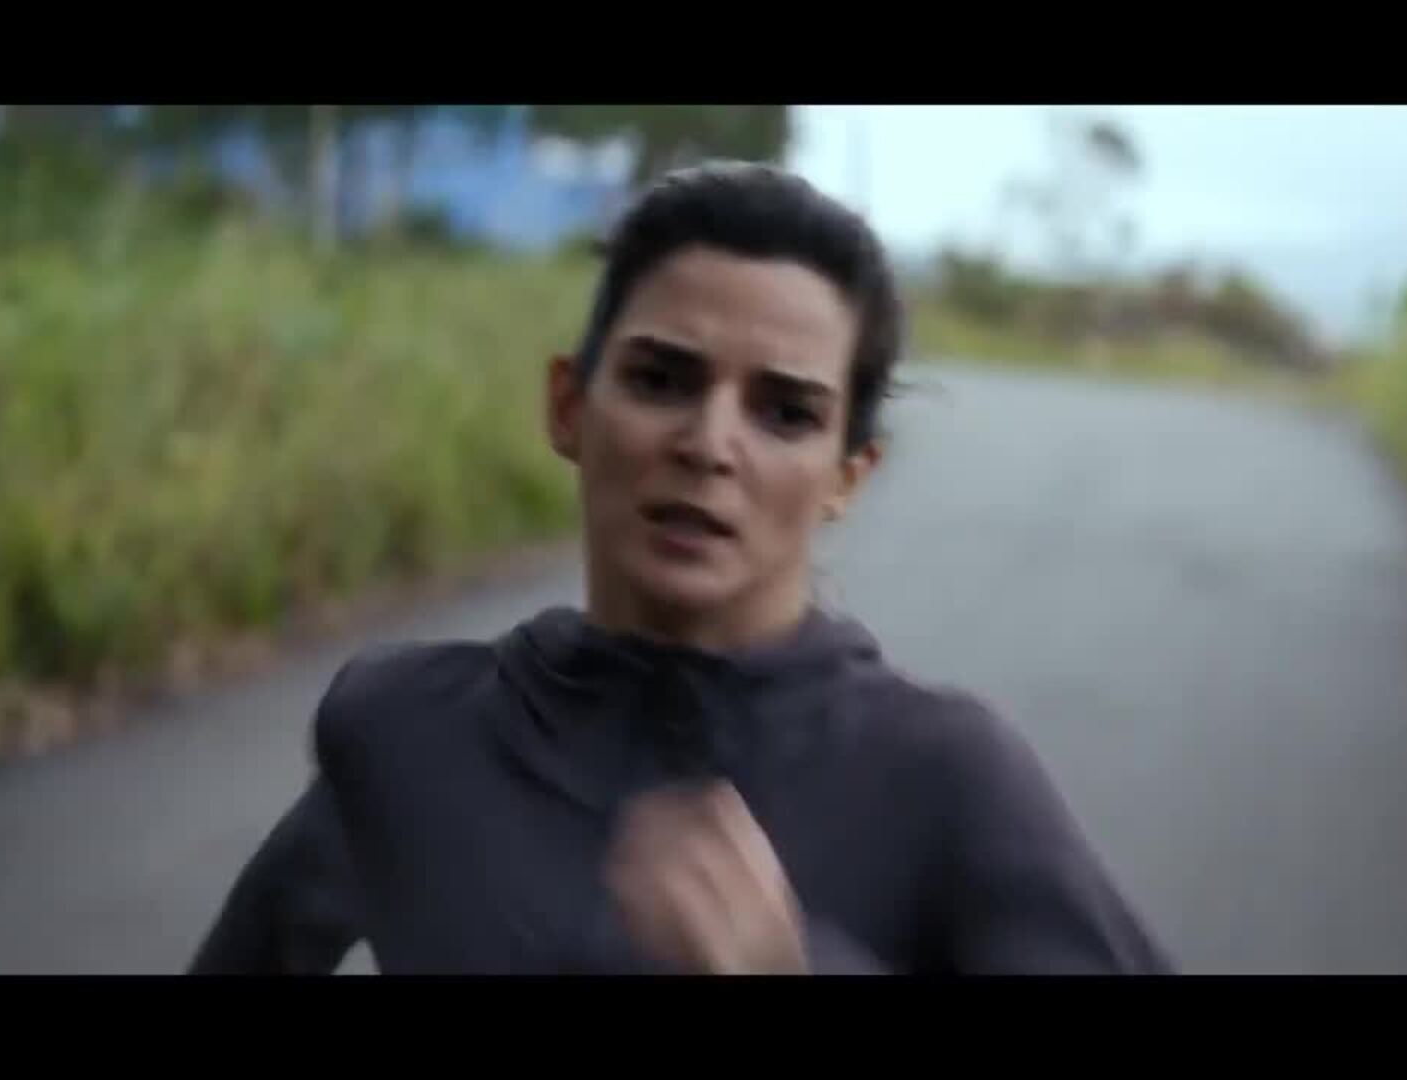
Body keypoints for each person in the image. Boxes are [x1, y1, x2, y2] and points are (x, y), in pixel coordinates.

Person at [187, 160, 1172, 975]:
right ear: (569, 407)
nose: (709, 444)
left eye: (784, 413)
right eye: (662, 379)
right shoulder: (408, 734)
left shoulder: (944, 781)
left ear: (847, 476)